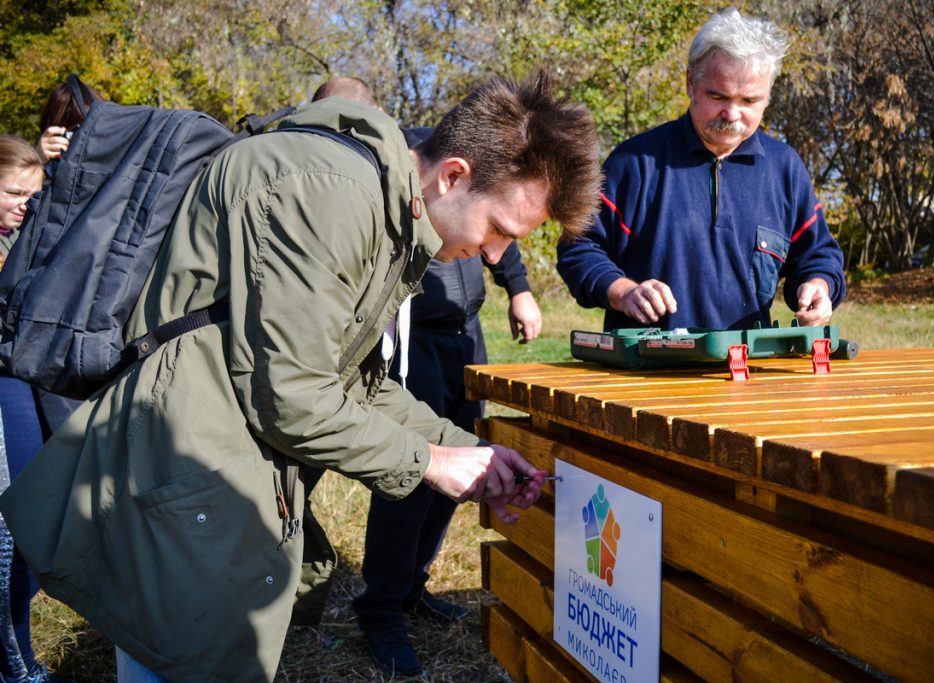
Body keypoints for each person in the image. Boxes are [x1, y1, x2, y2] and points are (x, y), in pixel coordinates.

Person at [0, 71, 601, 682]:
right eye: (499, 229)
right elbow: (293, 396)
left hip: (212, 471)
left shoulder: (382, 202)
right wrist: (428, 463)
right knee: (182, 660)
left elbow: (351, 381)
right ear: (453, 176)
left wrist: (469, 452)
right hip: (180, 472)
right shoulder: (329, 194)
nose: (499, 255)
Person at [350, 124, 544, 674]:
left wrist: (520, 288)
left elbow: (501, 233)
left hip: (466, 335)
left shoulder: (494, 183)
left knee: (464, 461)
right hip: (416, 338)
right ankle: (380, 608)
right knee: (414, 474)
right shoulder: (424, 165)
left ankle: (414, 586)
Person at [557, 7, 845, 333]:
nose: (732, 113)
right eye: (717, 96)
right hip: (646, 369)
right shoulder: (634, 162)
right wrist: (622, 291)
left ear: (768, 97)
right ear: (690, 83)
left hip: (745, 368)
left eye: (749, 100)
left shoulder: (784, 169)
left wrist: (818, 287)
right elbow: (578, 247)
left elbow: (817, 254)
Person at [0, 134, 60, 683]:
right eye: (14, 192)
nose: (25, 203)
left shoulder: (26, 239)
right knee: (10, 540)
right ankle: (16, 668)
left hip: (19, 386)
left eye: (32, 194)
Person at [35, 79, 102, 163]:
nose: (77, 141)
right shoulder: (44, 166)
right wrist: (37, 162)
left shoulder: (116, 165)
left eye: (84, 129)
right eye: (70, 134)